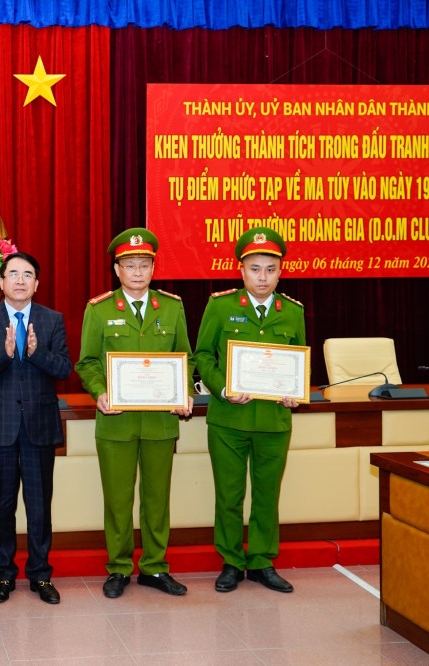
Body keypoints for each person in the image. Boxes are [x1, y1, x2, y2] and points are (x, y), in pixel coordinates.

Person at [74, 228, 194, 599]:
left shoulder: (171, 307)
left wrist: (185, 392)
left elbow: (185, 358)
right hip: (117, 421)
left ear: (153, 268)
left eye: (144, 265)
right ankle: (119, 567)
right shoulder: (99, 309)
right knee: (118, 499)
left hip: (160, 420)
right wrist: (100, 391)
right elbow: (87, 362)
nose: (137, 272)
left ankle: (155, 567)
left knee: (157, 499)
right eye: (130, 265)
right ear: (117, 270)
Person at [195, 227, 306, 594]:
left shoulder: (292, 311)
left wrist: (294, 392)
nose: (262, 277)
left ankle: (261, 561)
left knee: (267, 495)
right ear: (241, 270)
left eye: (270, 270)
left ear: (280, 272)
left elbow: (298, 362)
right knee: (229, 495)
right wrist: (223, 388)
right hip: (229, 420)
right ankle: (231, 561)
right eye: (255, 269)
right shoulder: (221, 306)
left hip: (274, 421)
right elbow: (203, 356)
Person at [0, 252, 72, 605]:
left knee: (39, 506)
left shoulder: (52, 319)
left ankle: (41, 575)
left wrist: (36, 352)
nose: (20, 280)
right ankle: (3, 575)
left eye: (28, 274)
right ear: (1, 282)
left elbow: (64, 369)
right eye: (13, 274)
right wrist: (5, 353)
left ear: (37, 284)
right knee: (2, 505)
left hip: (39, 424)